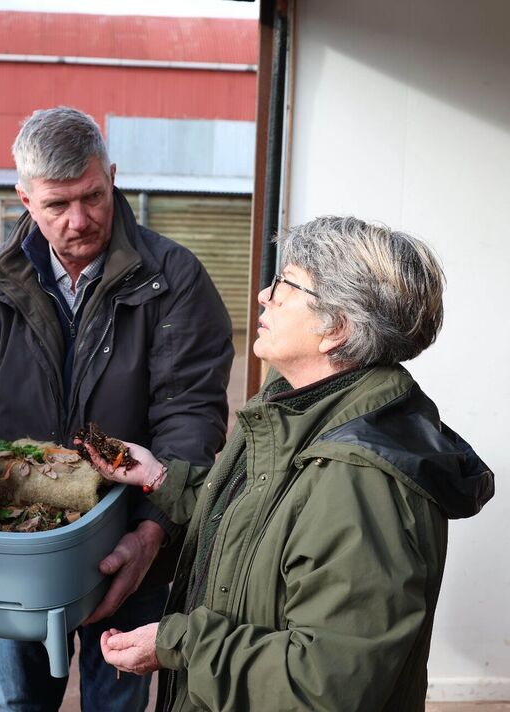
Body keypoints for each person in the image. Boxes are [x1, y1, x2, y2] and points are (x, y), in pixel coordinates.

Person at [85, 216, 495, 712]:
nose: (264, 295)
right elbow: (262, 525)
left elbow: (327, 682)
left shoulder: (360, 479)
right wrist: (157, 476)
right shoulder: (295, 407)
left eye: (286, 285)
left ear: (335, 329)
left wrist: (181, 643)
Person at [0, 107, 234, 711]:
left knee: (114, 706)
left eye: (93, 195)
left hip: (132, 542)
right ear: (23, 196)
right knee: (22, 705)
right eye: (56, 205)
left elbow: (191, 418)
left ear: (111, 174)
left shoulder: (175, 279)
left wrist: (154, 533)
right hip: (22, 552)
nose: (80, 220)